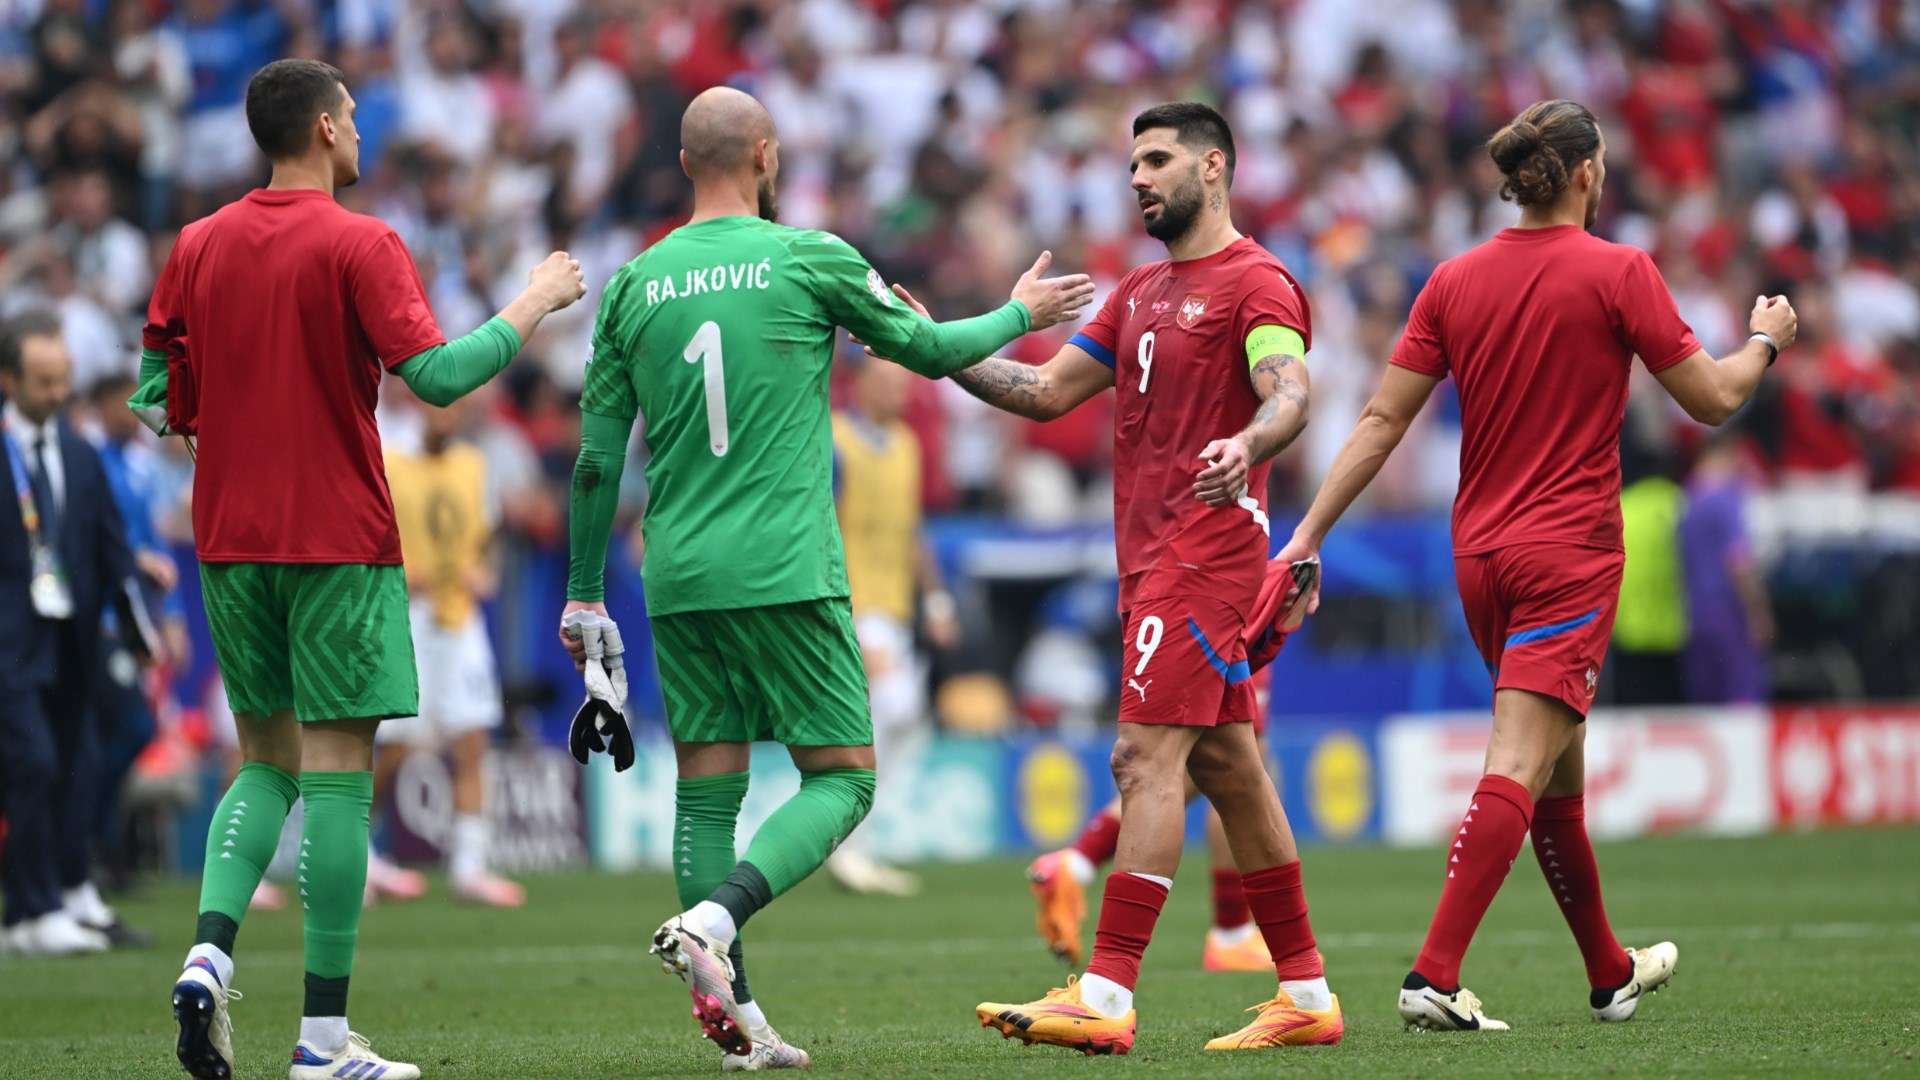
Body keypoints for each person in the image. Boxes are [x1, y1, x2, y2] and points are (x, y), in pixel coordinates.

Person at [558, 86, 1093, 1070]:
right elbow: (927, 352)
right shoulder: (808, 256)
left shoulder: (632, 285)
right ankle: (716, 921)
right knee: (845, 780)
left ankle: (741, 1025)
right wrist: (1022, 310)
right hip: (785, 566)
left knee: (708, 795)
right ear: (765, 155)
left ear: (684, 164)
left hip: (675, 571)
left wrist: (584, 592)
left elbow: (595, 463)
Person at [1274, 99, 1798, 1031]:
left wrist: (1308, 530)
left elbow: (1381, 420)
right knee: (1522, 758)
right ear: (1589, 172)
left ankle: (1609, 971)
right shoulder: (1619, 270)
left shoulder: (1453, 280)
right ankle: (1433, 974)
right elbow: (1714, 399)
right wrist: (1765, 339)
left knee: (1560, 771)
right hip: (1570, 554)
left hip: (1478, 557)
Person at [140, 58, 584, 1080]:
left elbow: (156, 392)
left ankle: (209, 955)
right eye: (351, 119)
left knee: (264, 762)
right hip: (337, 539)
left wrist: (222, 424)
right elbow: (439, 378)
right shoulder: (361, 241)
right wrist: (533, 301)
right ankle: (322, 1045)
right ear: (332, 129)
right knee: (339, 781)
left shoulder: (197, 245)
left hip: (229, 542)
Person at [902, 102, 1340, 1055]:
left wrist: (1251, 439)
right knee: (1230, 769)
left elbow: (1292, 390)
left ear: (1214, 167)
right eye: (1132, 163)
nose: (1137, 177)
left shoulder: (1257, 284)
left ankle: (1104, 995)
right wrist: (933, 344)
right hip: (1150, 560)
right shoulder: (1139, 290)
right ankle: (1306, 992)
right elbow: (1047, 389)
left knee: (1141, 761)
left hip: (1204, 557)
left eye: (1158, 160)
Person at [0, 312, 150, 957]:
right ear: (9, 380)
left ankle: (62, 894)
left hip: (74, 644)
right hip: (10, 645)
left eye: (62, 380)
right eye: (42, 382)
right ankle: (28, 912)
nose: (57, 394)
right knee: (31, 763)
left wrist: (142, 624)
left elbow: (112, 550)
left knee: (74, 763)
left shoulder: (81, 454)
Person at [371, 393, 523, 908]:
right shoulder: (392, 462)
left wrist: (486, 569)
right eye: (437, 407)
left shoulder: (472, 466)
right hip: (409, 615)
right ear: (418, 409)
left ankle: (469, 865)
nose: (444, 416)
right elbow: (372, 536)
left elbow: (487, 538)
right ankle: (360, 857)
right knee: (393, 747)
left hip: (460, 617)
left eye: (453, 408)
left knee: (473, 738)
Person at [825, 356, 958, 898]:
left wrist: (936, 599)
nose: (898, 394)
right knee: (894, 707)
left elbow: (912, 530)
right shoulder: (833, 440)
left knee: (906, 721)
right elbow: (820, 525)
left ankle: (857, 841)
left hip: (896, 607)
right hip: (853, 602)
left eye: (903, 384)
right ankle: (847, 845)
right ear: (859, 385)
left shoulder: (905, 444)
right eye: (887, 383)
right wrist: (843, 615)